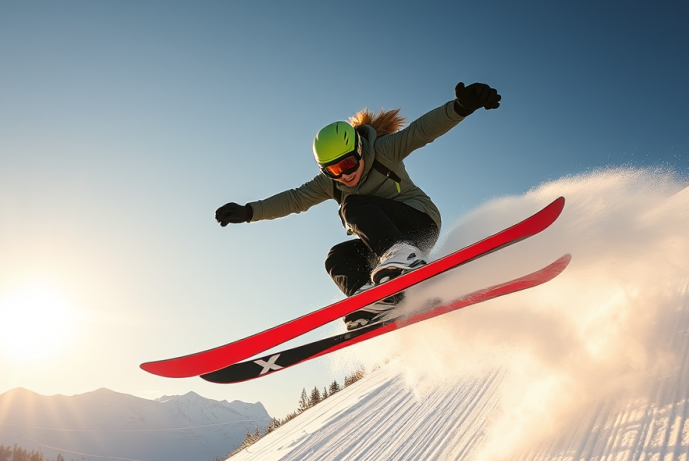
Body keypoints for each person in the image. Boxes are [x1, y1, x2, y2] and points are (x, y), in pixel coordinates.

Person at [215, 82, 501, 328]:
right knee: (336, 256)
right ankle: (372, 300)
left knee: (352, 206)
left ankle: (404, 257)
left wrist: (461, 107)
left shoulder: (385, 150)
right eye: (333, 170)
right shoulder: (331, 184)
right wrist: (250, 211)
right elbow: (294, 199)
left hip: (418, 222)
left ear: (360, 149)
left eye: (349, 163)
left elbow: (421, 131)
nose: (345, 174)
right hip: (386, 250)